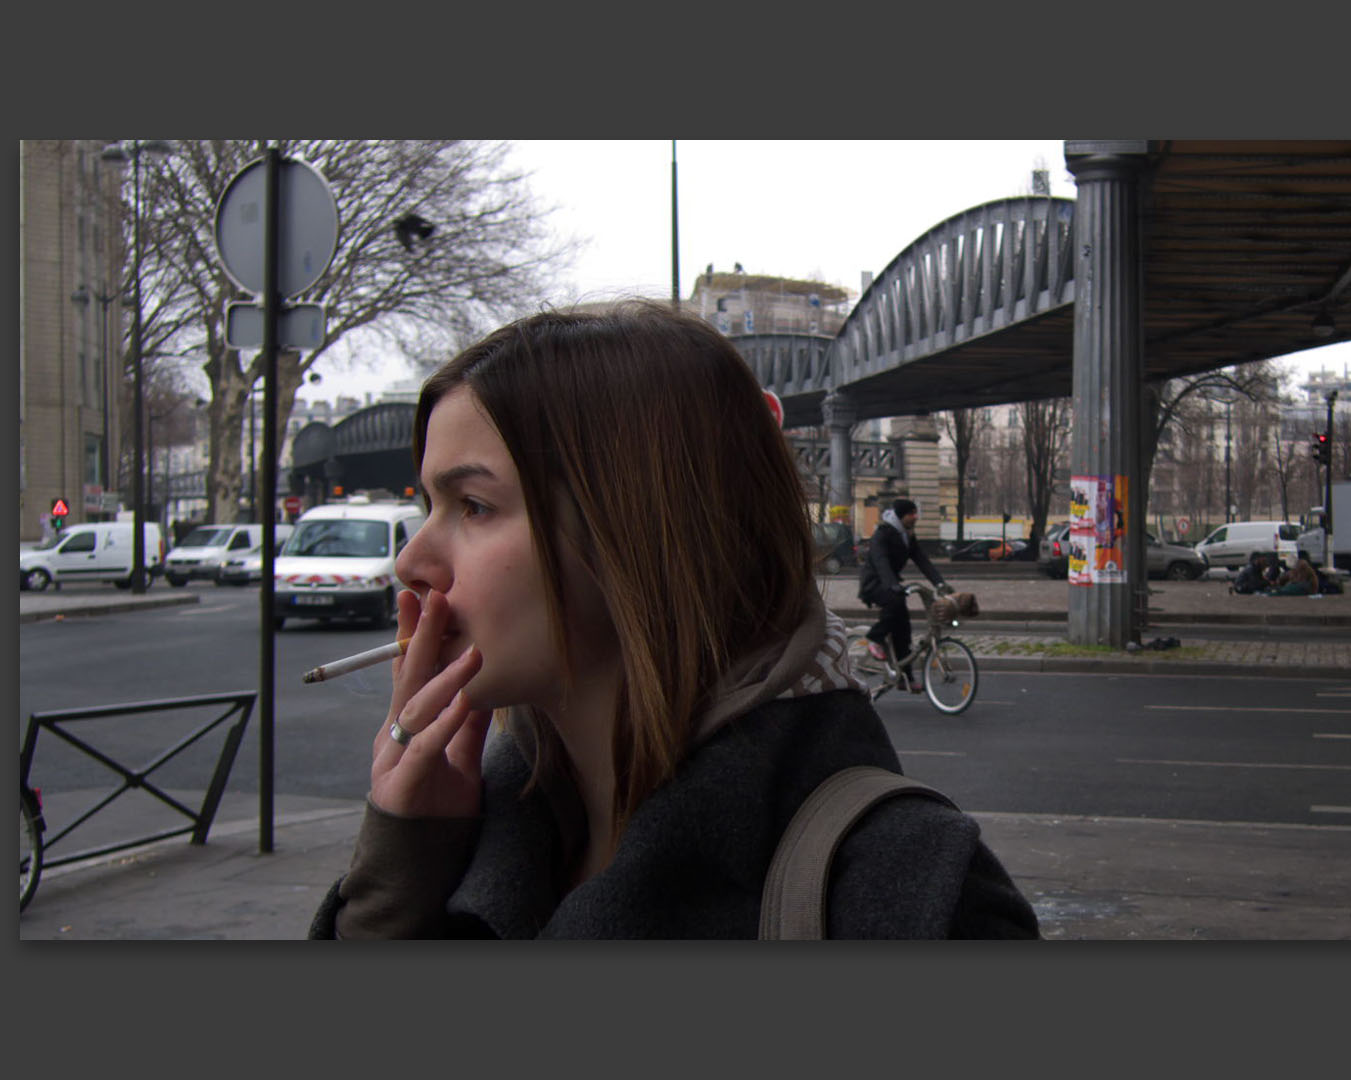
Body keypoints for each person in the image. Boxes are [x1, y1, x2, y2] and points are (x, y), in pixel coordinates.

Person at [308, 302, 1037, 939]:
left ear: (639, 539)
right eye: (428, 505)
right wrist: (398, 875)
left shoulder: (918, 901)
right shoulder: (464, 833)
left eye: (472, 506)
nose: (411, 562)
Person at [856, 497, 951, 693]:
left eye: (916, 513)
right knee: (895, 604)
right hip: (874, 584)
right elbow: (880, 560)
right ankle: (875, 638)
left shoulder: (907, 536)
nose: (915, 517)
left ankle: (905, 678)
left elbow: (922, 561)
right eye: (911, 514)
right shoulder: (882, 534)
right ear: (901, 516)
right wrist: (892, 584)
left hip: (892, 585)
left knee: (904, 631)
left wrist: (939, 583)